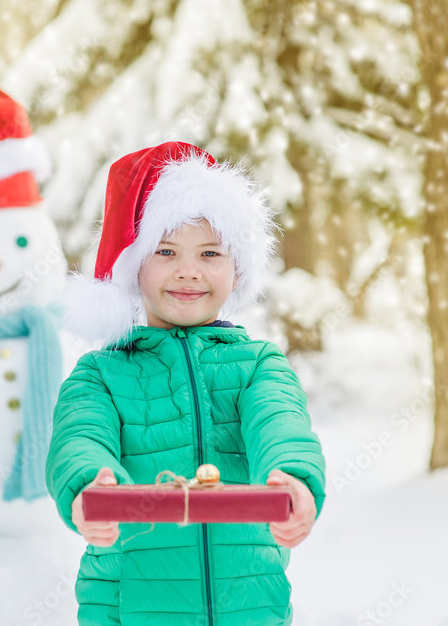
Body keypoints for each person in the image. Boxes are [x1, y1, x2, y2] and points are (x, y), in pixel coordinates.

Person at [45, 141, 326, 626]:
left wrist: (291, 477)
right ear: (134, 266)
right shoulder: (102, 374)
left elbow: (281, 423)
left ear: (236, 266)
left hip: (249, 605)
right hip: (127, 608)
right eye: (166, 250)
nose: (189, 270)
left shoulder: (258, 365)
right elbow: (80, 437)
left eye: (210, 252)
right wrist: (89, 484)